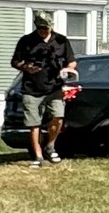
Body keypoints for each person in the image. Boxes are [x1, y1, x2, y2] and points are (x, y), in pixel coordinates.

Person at [10, 11, 76, 165]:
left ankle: (50, 147)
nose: (43, 31)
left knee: (58, 117)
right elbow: (15, 62)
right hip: (31, 88)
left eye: (46, 28)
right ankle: (38, 156)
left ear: (51, 27)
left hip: (55, 88)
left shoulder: (61, 41)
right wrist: (26, 67)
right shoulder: (26, 41)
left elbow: (71, 61)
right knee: (34, 124)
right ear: (36, 26)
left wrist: (67, 70)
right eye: (40, 28)